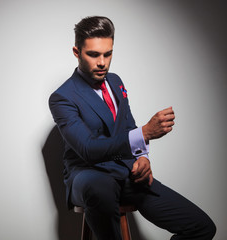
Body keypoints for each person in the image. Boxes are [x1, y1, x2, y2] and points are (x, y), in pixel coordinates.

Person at [48, 16, 216, 240]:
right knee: (100, 187)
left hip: (125, 172)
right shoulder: (62, 97)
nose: (102, 62)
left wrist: (142, 156)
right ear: (77, 52)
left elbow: (127, 126)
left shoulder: (116, 82)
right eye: (93, 54)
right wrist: (145, 133)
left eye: (108, 54)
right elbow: (88, 149)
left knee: (201, 227)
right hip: (87, 176)